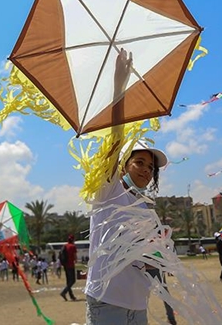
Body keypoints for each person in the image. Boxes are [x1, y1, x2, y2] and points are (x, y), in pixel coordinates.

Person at [83, 48, 171, 325]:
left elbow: (145, 254)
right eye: (140, 162)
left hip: (138, 304)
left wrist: (157, 254)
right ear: (124, 166)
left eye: (150, 167)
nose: (146, 170)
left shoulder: (144, 207)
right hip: (107, 303)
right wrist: (119, 87)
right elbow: (115, 140)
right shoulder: (108, 191)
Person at [60, 235, 78, 301]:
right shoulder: (73, 246)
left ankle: (71, 296)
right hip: (70, 265)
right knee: (73, 280)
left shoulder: (65, 246)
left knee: (68, 281)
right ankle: (64, 292)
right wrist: (76, 260)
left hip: (65, 265)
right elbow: (75, 256)